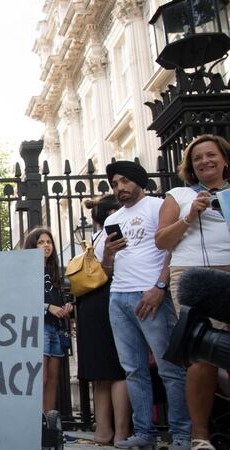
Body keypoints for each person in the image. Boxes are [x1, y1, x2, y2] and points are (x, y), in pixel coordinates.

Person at [95, 160, 190, 450]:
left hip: (150, 295)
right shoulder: (115, 219)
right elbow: (104, 269)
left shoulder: (159, 206)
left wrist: (160, 286)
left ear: (138, 180)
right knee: (133, 370)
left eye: (124, 181)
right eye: (114, 184)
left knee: (169, 368)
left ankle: (182, 434)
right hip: (119, 297)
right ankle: (144, 434)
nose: (120, 188)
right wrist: (109, 254)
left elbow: (172, 249)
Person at [154, 134, 230, 450]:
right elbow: (161, 241)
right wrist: (190, 215)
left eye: (210, 155)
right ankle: (200, 436)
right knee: (201, 352)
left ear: (224, 159)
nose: (204, 162)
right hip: (191, 276)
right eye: (197, 158)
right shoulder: (179, 195)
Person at [77, 195, 130, 445]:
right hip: (108, 301)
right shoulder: (112, 237)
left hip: (90, 305)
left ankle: (102, 431)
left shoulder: (94, 239)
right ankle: (120, 432)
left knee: (100, 374)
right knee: (118, 371)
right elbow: (111, 272)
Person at [23, 227, 72, 414]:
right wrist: (48, 307)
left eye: (48, 242)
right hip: (39, 327)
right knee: (40, 378)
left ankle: (48, 423)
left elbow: (61, 296)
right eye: (41, 242)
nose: (46, 246)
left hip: (57, 327)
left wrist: (67, 307)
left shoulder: (55, 270)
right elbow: (24, 298)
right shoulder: (27, 270)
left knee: (53, 379)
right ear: (33, 246)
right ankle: (36, 424)